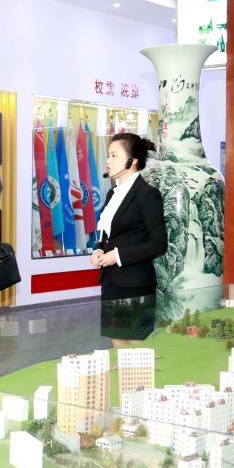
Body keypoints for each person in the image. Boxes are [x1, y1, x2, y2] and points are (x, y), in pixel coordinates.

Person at [90, 132, 167, 345]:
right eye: (108, 155)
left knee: (136, 348)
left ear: (132, 161)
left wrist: (118, 256)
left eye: (114, 155)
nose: (108, 161)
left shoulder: (147, 194)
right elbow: (108, 233)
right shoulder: (112, 194)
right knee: (118, 343)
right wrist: (98, 249)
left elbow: (159, 243)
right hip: (112, 281)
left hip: (135, 283)